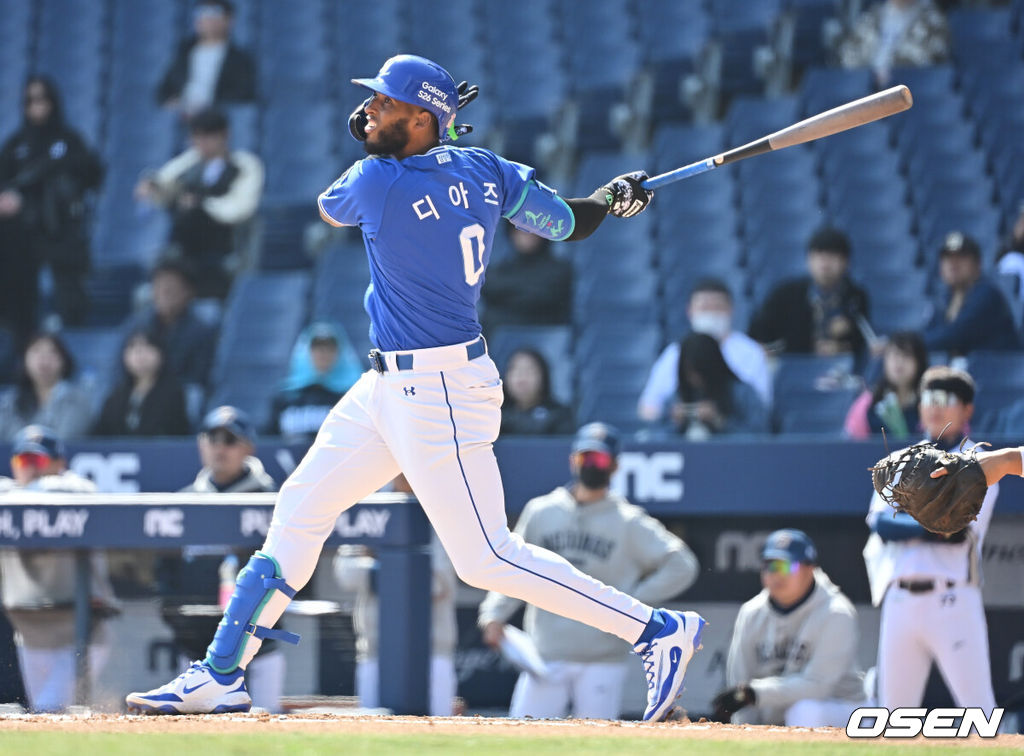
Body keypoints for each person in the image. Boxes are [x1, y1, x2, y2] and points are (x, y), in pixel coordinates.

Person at [126, 54, 704, 723]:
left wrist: (409, 141)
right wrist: (612, 197)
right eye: (370, 102)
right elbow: (570, 222)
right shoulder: (486, 168)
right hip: (387, 385)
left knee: (486, 559)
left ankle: (654, 629)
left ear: (424, 116)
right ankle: (221, 672)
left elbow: (329, 204)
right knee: (299, 507)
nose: (368, 111)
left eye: (383, 103)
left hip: (439, 390)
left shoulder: (378, 182)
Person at [479, 423, 699, 720]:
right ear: (573, 460)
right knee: (522, 738)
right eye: (586, 458)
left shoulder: (628, 521)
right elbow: (511, 565)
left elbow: (682, 564)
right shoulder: (542, 511)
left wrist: (632, 602)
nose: (592, 465)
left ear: (615, 466)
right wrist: (493, 613)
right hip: (546, 655)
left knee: (598, 745)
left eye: (600, 460)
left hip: (601, 659)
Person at [863, 366, 999, 714]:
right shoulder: (902, 459)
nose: (935, 407)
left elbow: (953, 532)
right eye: (929, 398)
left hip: (951, 598)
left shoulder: (981, 462)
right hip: (899, 601)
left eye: (946, 399)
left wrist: (911, 518)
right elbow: (881, 525)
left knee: (979, 715)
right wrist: (928, 521)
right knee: (892, 719)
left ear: (967, 408)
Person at [155, 406, 283, 712]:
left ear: (248, 447)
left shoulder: (272, 499)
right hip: (197, 646)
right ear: (201, 443)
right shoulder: (185, 500)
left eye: (230, 439)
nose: (220, 447)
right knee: (196, 733)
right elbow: (165, 571)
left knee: (266, 728)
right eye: (213, 438)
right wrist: (179, 621)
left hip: (260, 646)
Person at [0, 425, 117, 712]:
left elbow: (74, 488)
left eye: (37, 461)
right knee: (48, 715)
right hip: (30, 634)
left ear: (59, 464)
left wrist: (27, 490)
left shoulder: (77, 490)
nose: (29, 469)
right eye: (22, 461)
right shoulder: (10, 495)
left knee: (49, 711)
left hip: (79, 632)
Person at [712, 529, 864, 727]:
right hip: (780, 712)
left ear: (810, 568)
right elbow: (741, 683)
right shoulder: (751, 612)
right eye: (769, 565)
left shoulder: (836, 612)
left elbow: (818, 686)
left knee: (804, 711)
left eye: (786, 566)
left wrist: (755, 693)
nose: (776, 574)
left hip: (843, 708)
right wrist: (745, 731)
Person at [334, 476, 457, 716]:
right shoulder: (368, 506)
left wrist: (384, 561)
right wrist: (393, 569)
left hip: (434, 649)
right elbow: (345, 574)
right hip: (374, 647)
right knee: (371, 737)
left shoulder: (443, 508)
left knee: (439, 735)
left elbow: (438, 585)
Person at [0, 76, 104, 336]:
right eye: (31, 101)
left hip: (62, 231)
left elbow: (93, 174)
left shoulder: (70, 140)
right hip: (22, 234)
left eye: (43, 99)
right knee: (19, 301)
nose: (38, 107)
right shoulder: (15, 145)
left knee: (70, 298)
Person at [133, 107, 264, 298]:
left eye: (207, 137)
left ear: (223, 135)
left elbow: (241, 209)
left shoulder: (245, 165)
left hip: (225, 245)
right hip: (189, 252)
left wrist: (202, 204)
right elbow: (165, 182)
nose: (201, 144)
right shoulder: (191, 164)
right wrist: (153, 185)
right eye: (196, 138)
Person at [639, 278, 771, 423]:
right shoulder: (675, 353)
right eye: (704, 308)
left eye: (717, 307)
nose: (711, 313)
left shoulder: (751, 352)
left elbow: (763, 405)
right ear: (690, 311)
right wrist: (673, 414)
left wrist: (721, 415)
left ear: (731, 310)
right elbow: (648, 407)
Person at [749, 227, 870, 357]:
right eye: (819, 255)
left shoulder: (855, 298)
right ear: (809, 260)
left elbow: (861, 342)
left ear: (846, 262)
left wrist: (841, 347)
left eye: (832, 256)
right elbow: (758, 334)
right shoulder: (785, 295)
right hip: (791, 368)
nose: (825, 264)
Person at [123, 258, 217, 388]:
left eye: (171, 287)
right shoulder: (135, 325)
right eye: (159, 286)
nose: (164, 293)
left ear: (189, 292)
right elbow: (120, 371)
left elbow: (197, 379)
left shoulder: (201, 333)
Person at [923, 231, 1020, 354]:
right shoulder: (945, 298)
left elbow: (956, 334)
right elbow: (931, 332)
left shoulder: (987, 295)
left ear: (977, 264)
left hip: (998, 369)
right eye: (947, 257)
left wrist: (915, 346)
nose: (953, 263)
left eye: (961, 256)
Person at [156, 0, 256, 117]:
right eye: (203, 14)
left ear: (229, 20)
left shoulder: (240, 60)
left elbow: (242, 95)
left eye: (214, 15)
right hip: (182, 115)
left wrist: (208, 107)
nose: (208, 20)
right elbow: (163, 90)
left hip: (215, 120)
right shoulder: (184, 53)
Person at [267, 322, 363, 444]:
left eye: (330, 348)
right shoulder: (285, 398)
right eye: (317, 348)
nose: (323, 353)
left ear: (340, 353)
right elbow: (270, 439)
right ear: (306, 352)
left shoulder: (352, 396)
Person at [92, 329, 190, 436]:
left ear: (161, 354)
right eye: (133, 347)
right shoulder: (115, 396)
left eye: (147, 346)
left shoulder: (174, 394)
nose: (140, 353)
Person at [671, 333, 769, 439]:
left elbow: (760, 437)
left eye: (700, 372)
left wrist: (719, 421)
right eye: (689, 373)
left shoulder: (742, 394)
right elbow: (655, 436)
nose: (695, 379)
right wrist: (675, 424)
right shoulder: (678, 396)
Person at [478, 225, 572, 336]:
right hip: (499, 344)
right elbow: (488, 287)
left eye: (532, 230)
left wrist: (506, 294)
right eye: (519, 230)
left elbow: (542, 295)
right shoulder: (501, 268)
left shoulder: (559, 269)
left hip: (542, 340)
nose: (526, 235)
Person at [0, 332, 93, 441]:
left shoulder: (78, 400)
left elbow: (65, 439)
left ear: (63, 360)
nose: (44, 359)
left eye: (52, 352)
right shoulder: (8, 401)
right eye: (36, 351)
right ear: (24, 359)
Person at [836, 0, 949, 88]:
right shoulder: (872, 16)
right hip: (866, 90)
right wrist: (868, 77)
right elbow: (849, 54)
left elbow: (929, 60)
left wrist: (893, 74)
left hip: (909, 91)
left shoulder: (932, 20)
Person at [844, 331, 928, 440]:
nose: (899, 362)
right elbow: (853, 442)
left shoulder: (929, 402)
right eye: (894, 355)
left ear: (919, 362)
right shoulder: (868, 402)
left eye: (907, 355)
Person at [499, 347, 574, 436]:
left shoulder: (559, 415)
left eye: (529, 370)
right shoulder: (496, 415)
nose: (521, 376)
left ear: (543, 376)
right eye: (515, 369)